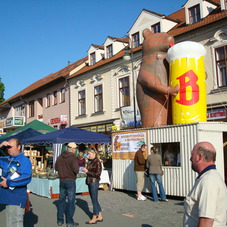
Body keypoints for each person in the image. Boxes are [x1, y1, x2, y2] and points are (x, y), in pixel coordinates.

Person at [183, 141, 227, 227]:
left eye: (192, 155)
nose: (190, 159)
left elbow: (206, 221)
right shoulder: (210, 177)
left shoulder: (208, 181)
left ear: (199, 157)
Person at [0, 138, 32, 227]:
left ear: (19, 147)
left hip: (16, 199)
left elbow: (26, 177)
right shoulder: (6, 159)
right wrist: (1, 146)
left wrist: (9, 183)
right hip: (7, 199)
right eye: (7, 147)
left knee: (15, 224)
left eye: (11, 147)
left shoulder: (24, 160)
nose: (8, 149)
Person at [55, 142, 79, 227]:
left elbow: (56, 168)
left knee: (61, 201)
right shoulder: (73, 158)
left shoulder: (59, 157)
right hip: (70, 181)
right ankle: (69, 222)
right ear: (72, 149)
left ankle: (60, 220)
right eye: (75, 149)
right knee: (71, 202)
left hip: (62, 180)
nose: (75, 150)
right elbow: (76, 170)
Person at [82, 148, 103, 224]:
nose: (88, 155)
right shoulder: (91, 161)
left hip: (94, 182)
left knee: (94, 200)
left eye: (89, 154)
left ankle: (94, 217)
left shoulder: (97, 162)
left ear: (94, 154)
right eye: (88, 154)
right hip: (90, 181)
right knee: (94, 199)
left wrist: (87, 171)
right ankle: (100, 215)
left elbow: (97, 174)